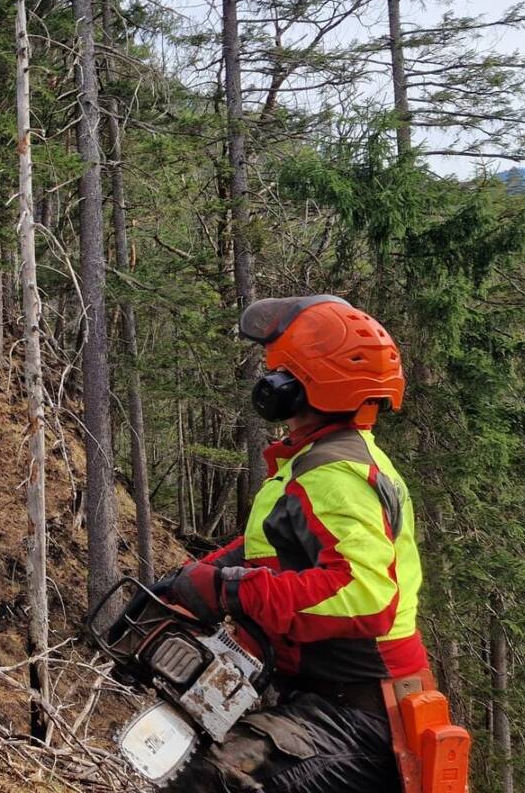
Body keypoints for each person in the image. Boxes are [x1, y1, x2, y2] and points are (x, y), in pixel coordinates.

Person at [160, 295, 426, 793]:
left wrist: (230, 591)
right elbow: (268, 546)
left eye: (278, 373)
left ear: (294, 388)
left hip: (361, 716)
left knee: (208, 779)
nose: (267, 381)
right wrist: (187, 584)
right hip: (330, 702)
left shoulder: (334, 474)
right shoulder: (322, 460)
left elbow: (366, 595)